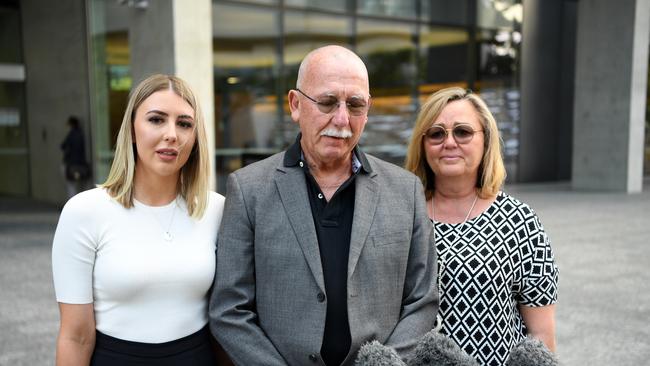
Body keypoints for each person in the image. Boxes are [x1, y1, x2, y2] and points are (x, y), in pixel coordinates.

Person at [209, 45, 438, 366]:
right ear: (295, 104)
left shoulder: (405, 190)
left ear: (368, 110)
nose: (342, 119)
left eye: (355, 104)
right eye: (328, 102)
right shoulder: (248, 189)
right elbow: (229, 310)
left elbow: (422, 301)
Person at [52, 74, 226, 366]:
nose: (172, 134)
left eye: (184, 123)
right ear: (132, 130)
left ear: (195, 138)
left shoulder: (218, 210)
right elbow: (75, 337)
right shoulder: (84, 212)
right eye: (157, 119)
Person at [405, 87, 559, 366]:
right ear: (423, 143)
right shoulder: (403, 215)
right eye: (437, 133)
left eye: (462, 132)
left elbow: (541, 336)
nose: (449, 142)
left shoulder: (520, 221)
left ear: (486, 140)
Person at [60, 116, 90, 198]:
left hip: (72, 164)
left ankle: (72, 204)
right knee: (82, 185)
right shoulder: (81, 134)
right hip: (81, 164)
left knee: (71, 185)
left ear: (71, 124)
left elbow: (63, 146)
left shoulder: (72, 134)